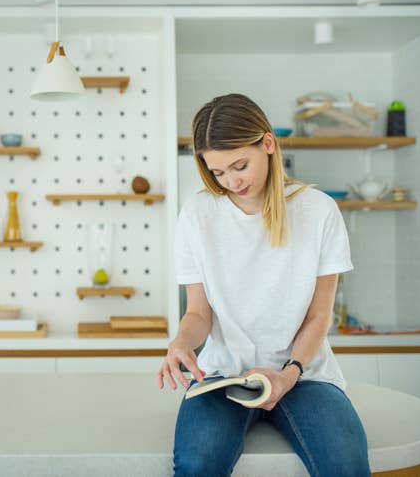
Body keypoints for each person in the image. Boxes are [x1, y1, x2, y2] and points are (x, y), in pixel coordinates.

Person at [157, 94, 370, 476]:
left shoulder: (319, 210)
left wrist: (288, 375)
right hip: (222, 376)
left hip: (304, 375)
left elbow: (319, 315)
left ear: (268, 144)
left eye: (240, 165)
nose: (231, 181)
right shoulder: (197, 214)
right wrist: (181, 343)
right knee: (196, 465)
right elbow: (198, 313)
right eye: (218, 173)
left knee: (347, 466)